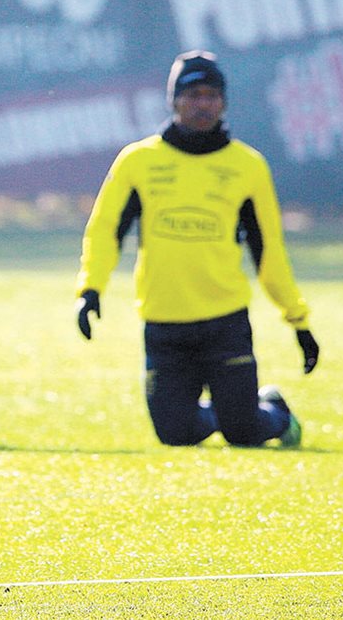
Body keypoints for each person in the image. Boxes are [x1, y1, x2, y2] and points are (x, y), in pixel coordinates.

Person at [75, 50, 319, 448]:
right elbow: (104, 231)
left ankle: (276, 412)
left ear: (223, 101)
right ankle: (227, 409)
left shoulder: (248, 166)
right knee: (176, 435)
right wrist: (90, 289)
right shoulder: (138, 161)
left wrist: (298, 319)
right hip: (164, 322)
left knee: (244, 433)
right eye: (192, 95)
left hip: (224, 321)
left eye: (210, 95)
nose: (202, 104)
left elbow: (269, 251)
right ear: (173, 100)